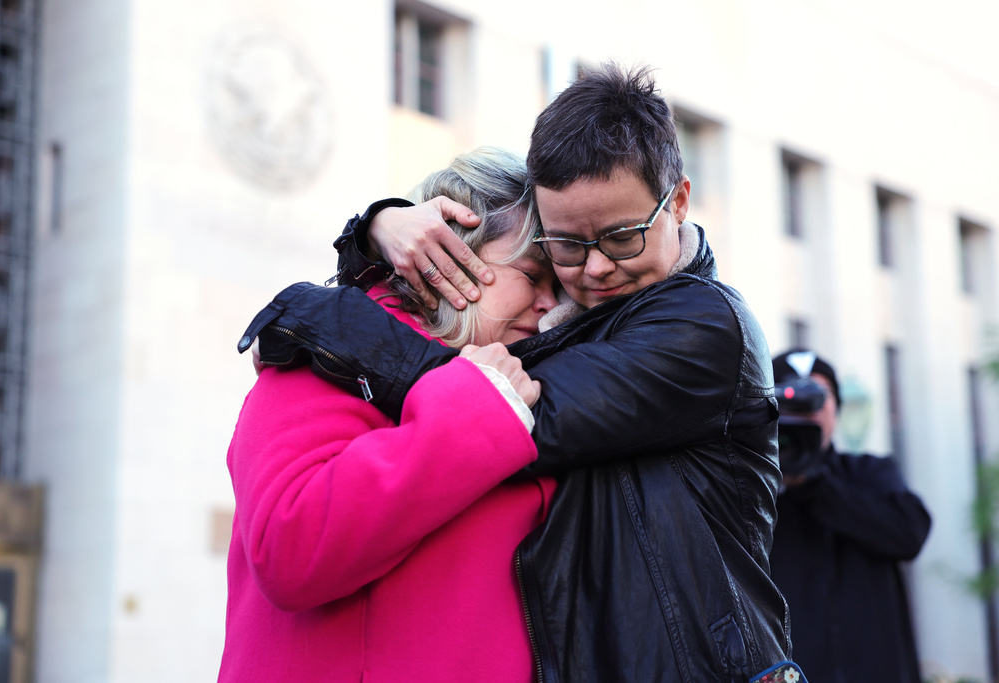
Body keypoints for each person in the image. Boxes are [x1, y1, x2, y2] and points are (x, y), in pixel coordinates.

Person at [248, 63, 804, 682]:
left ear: (676, 201)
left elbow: (520, 409)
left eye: (621, 237)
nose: (591, 272)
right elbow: (291, 550)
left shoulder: (702, 325)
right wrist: (376, 238)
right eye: (561, 251)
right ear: (445, 255)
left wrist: (325, 316)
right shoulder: (574, 326)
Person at [219, 147, 562, 682]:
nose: (548, 304)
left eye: (558, 287)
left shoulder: (525, 377)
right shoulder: (331, 346)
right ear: (452, 251)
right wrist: (475, 413)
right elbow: (290, 547)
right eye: (532, 274)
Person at [770, 349, 931, 683]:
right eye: (792, 398)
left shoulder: (869, 472)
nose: (807, 412)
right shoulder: (752, 487)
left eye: (818, 397)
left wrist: (814, 486)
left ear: (836, 409)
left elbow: (909, 533)